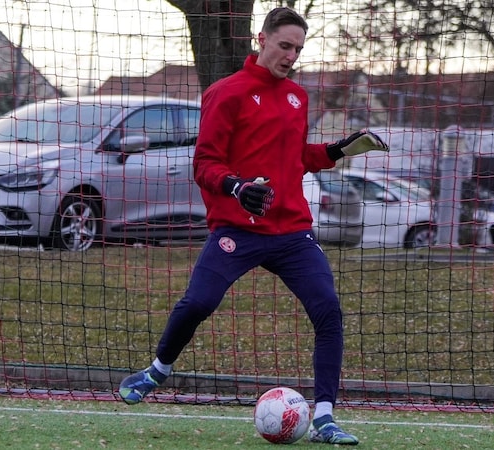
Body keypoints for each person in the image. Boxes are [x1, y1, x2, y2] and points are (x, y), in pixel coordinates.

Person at [118, 7, 386, 445]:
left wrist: (339, 149)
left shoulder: (298, 97)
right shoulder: (227, 93)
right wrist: (238, 187)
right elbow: (204, 164)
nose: (291, 56)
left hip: (293, 234)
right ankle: (157, 371)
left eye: (298, 49)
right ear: (261, 40)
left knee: (328, 312)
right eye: (285, 45)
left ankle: (323, 418)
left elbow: (296, 156)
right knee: (198, 303)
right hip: (237, 231)